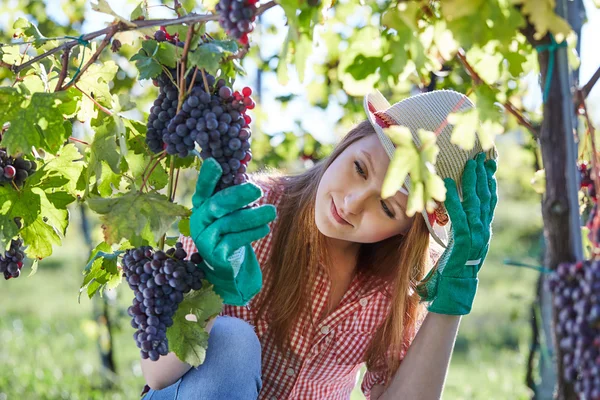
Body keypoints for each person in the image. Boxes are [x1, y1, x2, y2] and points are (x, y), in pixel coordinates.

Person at [142, 89, 498, 400]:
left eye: (387, 207)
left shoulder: (393, 290)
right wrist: (210, 281)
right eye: (360, 168)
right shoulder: (246, 212)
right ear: (349, 142)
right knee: (233, 342)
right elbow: (156, 373)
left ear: (407, 230)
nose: (352, 203)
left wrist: (450, 304)